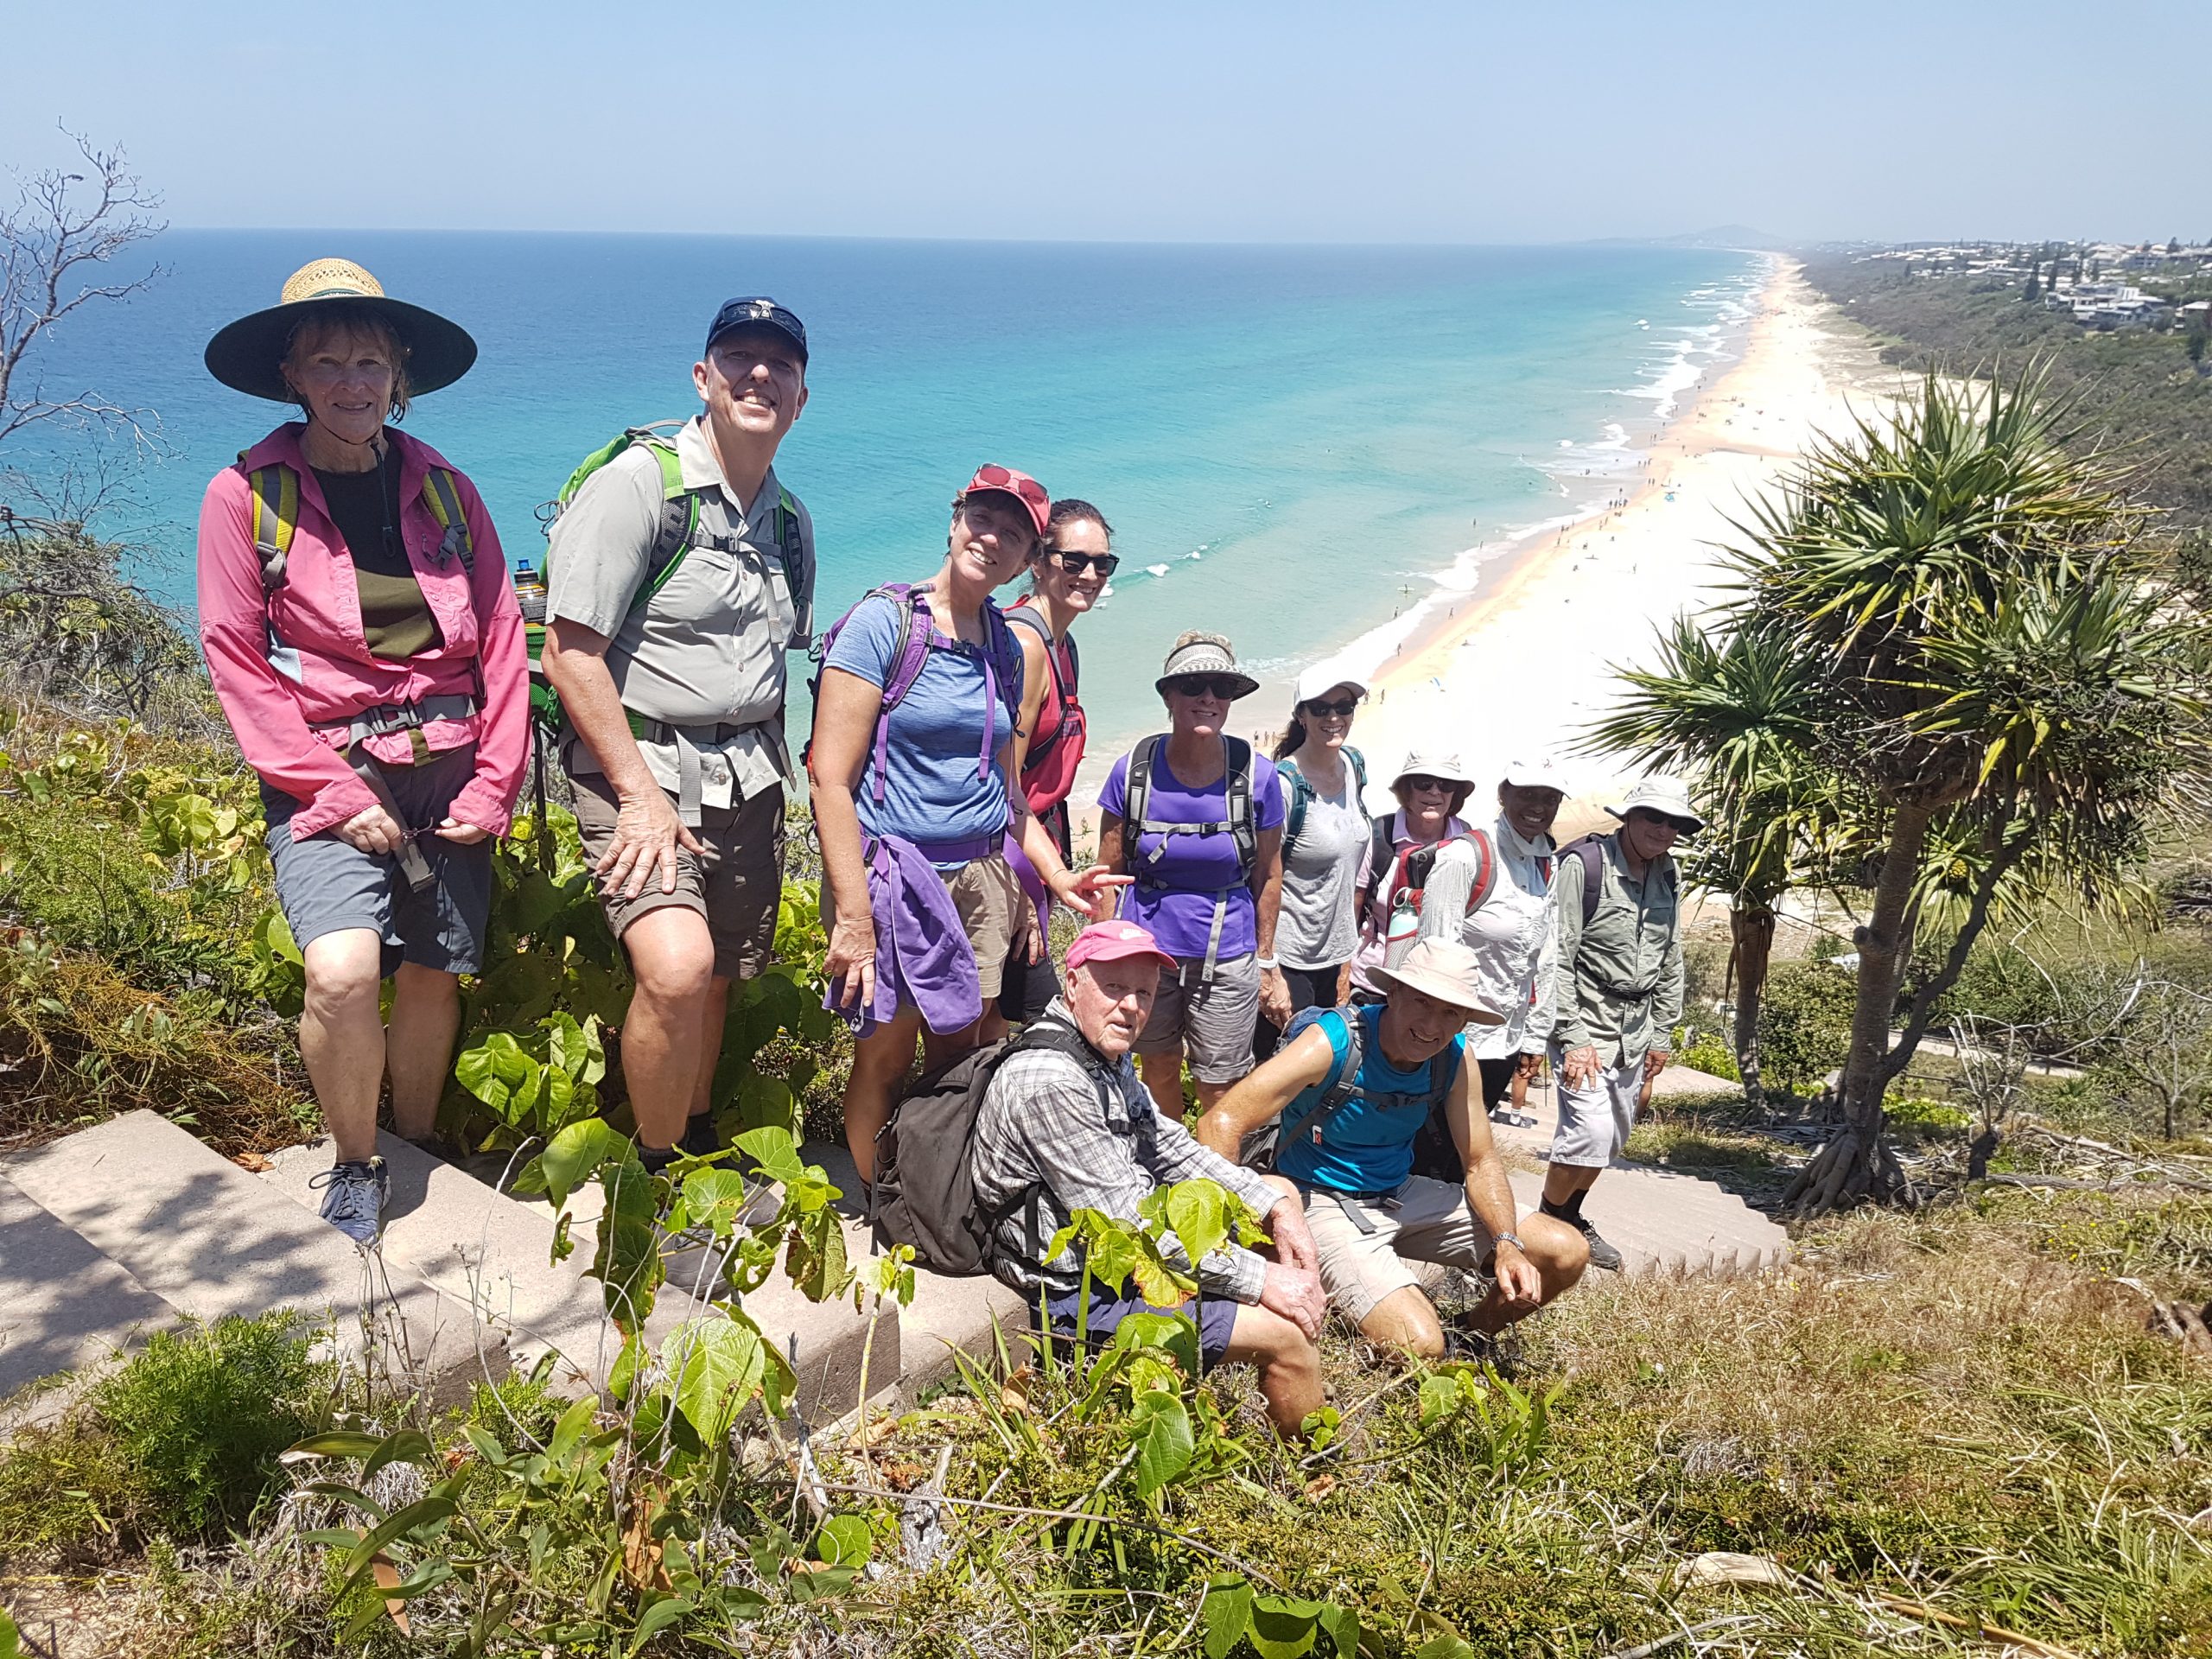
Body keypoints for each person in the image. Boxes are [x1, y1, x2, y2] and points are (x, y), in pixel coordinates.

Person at [196, 258, 526, 1244]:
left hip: (455, 763)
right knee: (342, 973)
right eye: (330, 360)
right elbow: (235, 661)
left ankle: (417, 1137)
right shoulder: (244, 496)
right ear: (293, 376)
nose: (353, 381)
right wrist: (334, 792)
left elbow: (504, 639)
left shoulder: (447, 491)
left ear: (399, 376)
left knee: (432, 971)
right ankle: (355, 1160)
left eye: (371, 361)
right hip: (325, 768)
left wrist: (497, 782)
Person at [540, 297, 817, 1173]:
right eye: (739, 357)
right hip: (642, 762)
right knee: (674, 969)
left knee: (723, 976)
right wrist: (638, 796)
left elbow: (769, 664)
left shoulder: (789, 522)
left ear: (802, 400)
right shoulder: (638, 486)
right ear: (702, 378)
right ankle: (652, 1172)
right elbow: (569, 653)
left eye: (780, 365)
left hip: (748, 778)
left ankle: (694, 1140)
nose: (759, 374)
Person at [810, 467, 1123, 1181]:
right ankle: (877, 1200)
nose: (993, 538)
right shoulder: (884, 623)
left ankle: (932, 1193)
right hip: (894, 877)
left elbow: (1007, 789)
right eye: (983, 519)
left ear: (1026, 558)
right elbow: (829, 777)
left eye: (1014, 533)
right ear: (955, 522)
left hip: (982, 876)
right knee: (885, 1055)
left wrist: (1052, 874)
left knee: (962, 1053)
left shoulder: (1007, 647)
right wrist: (852, 914)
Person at [972, 920, 1326, 1436]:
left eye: (1144, 991)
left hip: (1114, 1252)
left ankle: (1280, 1369)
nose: (1132, 1006)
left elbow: (1169, 1144)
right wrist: (1262, 1279)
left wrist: (1272, 1207)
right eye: (1114, 987)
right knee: (1287, 1338)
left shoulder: (1099, 1054)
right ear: (1073, 984)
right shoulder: (1050, 1081)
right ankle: (1310, 1478)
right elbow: (1130, 1230)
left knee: (1280, 1193)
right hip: (1073, 1289)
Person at [1196, 938, 1586, 1357]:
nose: (1432, 1026)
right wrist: (1222, 1243)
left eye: (1450, 1012)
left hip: (1398, 1194)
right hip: (1320, 1201)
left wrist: (1506, 1244)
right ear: (1394, 993)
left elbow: (1480, 1159)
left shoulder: (1454, 1056)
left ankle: (1470, 1339)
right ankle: (1414, 1336)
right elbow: (1221, 1120)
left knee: (1565, 1252)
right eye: (1422, 1002)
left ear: (1465, 1021)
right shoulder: (1332, 1042)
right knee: (1420, 1342)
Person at [1096, 633, 1287, 1122]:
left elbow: (1268, 874)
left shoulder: (1256, 776)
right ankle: (1167, 1171)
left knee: (1219, 1084)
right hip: (1146, 953)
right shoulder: (1133, 772)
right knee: (1156, 1066)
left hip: (1228, 953)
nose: (1208, 698)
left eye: (1220, 688)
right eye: (1194, 685)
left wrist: (1267, 961)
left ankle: (1219, 1179)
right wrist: (1100, 956)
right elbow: (1109, 873)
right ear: (1169, 696)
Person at [1541, 777, 1696, 1272]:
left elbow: (1671, 954)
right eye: (1654, 817)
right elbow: (1557, 955)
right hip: (1586, 1019)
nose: (1663, 829)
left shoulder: (1667, 873)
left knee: (1611, 1140)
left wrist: (1663, 1032)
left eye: (1674, 823)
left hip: (1639, 1027)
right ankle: (1548, 1224)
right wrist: (1573, 1037)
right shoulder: (1583, 867)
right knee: (1587, 1132)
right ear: (1629, 817)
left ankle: (1571, 1215)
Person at [988, 498, 1112, 1033]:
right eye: (1073, 561)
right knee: (1018, 1020)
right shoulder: (1026, 644)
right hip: (1008, 861)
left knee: (1005, 1020)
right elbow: (1000, 784)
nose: (1089, 575)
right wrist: (1020, 894)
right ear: (1039, 561)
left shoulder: (1067, 645)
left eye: (1102, 564)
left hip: (1036, 856)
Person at [1413, 758, 1567, 1154]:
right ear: (1503, 795)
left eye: (1550, 798)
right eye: (1527, 794)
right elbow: (1435, 955)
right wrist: (1438, 1040)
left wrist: (1535, 1036)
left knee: (1467, 1154)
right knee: (1429, 1152)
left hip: (1505, 1041)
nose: (1538, 806)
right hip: (1453, 1042)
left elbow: (1545, 957)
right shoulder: (1465, 858)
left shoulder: (1547, 862)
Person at [1256, 663, 1372, 1059]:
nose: (1334, 717)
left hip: (1336, 958)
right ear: (1301, 715)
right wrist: (1268, 970)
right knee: (1283, 1074)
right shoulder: (1286, 785)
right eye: (1320, 708)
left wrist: (1346, 960)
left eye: (1344, 705)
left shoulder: (1354, 767)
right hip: (1289, 961)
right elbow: (1261, 879)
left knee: (1326, 1076)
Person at [1346, 752, 1478, 1001]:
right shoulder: (1378, 837)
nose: (1435, 793)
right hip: (1373, 984)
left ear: (1456, 793)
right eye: (1424, 783)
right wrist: (1341, 981)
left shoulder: (1468, 841)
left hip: (1440, 988)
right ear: (1407, 790)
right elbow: (1351, 911)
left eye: (1446, 785)